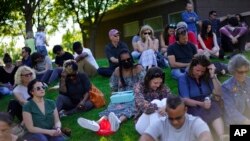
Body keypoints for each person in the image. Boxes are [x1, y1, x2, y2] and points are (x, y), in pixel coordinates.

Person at [77, 50, 146, 132]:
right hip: (120, 96)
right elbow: (113, 86)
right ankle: (97, 123)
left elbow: (145, 85)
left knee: (130, 107)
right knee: (112, 107)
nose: (127, 61)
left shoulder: (138, 68)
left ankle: (118, 122)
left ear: (131, 58)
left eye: (128, 59)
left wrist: (138, 95)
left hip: (135, 95)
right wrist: (114, 96)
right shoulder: (117, 70)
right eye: (124, 60)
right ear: (120, 61)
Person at [178, 54, 225, 141]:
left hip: (209, 101)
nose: (200, 73)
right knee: (199, 117)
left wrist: (213, 75)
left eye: (203, 71)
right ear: (192, 67)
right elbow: (185, 99)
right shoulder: (183, 78)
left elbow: (219, 93)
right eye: (197, 70)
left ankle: (222, 136)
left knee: (215, 109)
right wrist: (201, 104)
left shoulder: (207, 75)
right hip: (193, 104)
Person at [139, 95, 213, 141]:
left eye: (178, 118)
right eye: (171, 118)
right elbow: (145, 137)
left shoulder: (196, 122)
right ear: (166, 111)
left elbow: (206, 137)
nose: (175, 122)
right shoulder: (161, 123)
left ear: (185, 110)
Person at [134, 67, 172, 135]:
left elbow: (173, 99)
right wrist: (160, 108)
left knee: (166, 100)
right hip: (142, 124)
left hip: (158, 119)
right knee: (156, 102)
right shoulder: (139, 86)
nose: (158, 85)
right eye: (155, 83)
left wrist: (166, 106)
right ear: (148, 79)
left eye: (160, 82)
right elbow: (144, 107)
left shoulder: (162, 86)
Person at [222, 54, 250, 126]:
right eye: (240, 72)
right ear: (233, 71)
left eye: (246, 71)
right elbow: (231, 112)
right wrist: (247, 122)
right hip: (236, 122)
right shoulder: (226, 87)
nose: (244, 74)